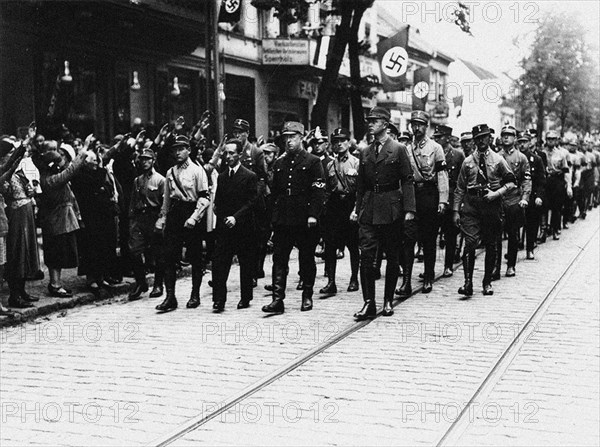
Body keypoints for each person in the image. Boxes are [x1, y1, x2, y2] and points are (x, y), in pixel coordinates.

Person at [351, 106, 416, 319]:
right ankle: (369, 302)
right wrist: (357, 209)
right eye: (369, 120)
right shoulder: (365, 151)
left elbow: (407, 180)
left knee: (392, 255)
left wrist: (409, 209)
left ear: (385, 125)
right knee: (366, 256)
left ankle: (388, 300)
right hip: (369, 208)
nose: (370, 123)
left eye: (375, 120)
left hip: (391, 208)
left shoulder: (398, 149)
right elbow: (361, 184)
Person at [262, 121, 325, 314]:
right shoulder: (280, 163)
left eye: (293, 137)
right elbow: (275, 193)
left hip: (304, 217)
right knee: (279, 259)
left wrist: (313, 215)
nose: (289, 141)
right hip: (283, 218)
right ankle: (277, 299)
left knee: (306, 258)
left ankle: (307, 296)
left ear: (301, 138)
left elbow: (318, 191)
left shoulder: (313, 161)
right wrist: (273, 218)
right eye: (286, 138)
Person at [453, 124, 516, 296]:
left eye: (484, 137)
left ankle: (487, 281)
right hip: (472, 205)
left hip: (491, 206)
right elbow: (459, 188)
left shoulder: (498, 160)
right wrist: (456, 211)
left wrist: (497, 194)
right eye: (478, 138)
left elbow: (511, 182)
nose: (481, 141)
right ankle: (467, 283)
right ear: (474, 141)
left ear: (489, 138)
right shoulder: (467, 162)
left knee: (491, 244)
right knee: (470, 243)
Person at [154, 135, 210, 312]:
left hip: (192, 212)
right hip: (175, 214)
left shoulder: (197, 171)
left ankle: (195, 294)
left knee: (195, 256)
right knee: (169, 255)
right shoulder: (171, 172)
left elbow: (204, 197)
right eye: (175, 150)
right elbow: (167, 199)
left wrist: (195, 217)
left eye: (181, 149)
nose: (177, 153)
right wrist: (163, 217)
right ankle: (170, 297)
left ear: (189, 150)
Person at [397, 114, 448, 296]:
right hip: (410, 195)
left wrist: (442, 200)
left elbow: (442, 175)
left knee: (428, 239)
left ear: (426, 127)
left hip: (429, 195)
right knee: (408, 239)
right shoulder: (405, 148)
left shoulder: (436, 148)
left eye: (420, 125)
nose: (416, 128)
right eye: (414, 125)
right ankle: (406, 282)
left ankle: (428, 277)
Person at [36, 144, 88, 298]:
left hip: (58, 222)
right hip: (55, 222)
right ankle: (54, 284)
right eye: (59, 161)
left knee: (58, 254)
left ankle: (56, 283)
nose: (62, 164)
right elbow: (70, 171)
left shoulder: (49, 177)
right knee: (55, 255)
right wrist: (82, 152)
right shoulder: (50, 180)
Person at [211, 139, 258, 311]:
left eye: (232, 153)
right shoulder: (222, 177)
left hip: (243, 227)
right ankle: (219, 300)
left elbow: (252, 202)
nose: (228, 156)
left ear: (239, 154)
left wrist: (236, 217)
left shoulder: (249, 176)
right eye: (226, 153)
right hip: (225, 228)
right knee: (219, 263)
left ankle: (245, 297)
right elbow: (218, 202)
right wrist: (221, 215)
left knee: (245, 264)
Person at [71, 150, 120, 290]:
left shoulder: (98, 174)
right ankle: (91, 278)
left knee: (103, 246)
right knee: (91, 248)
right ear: (85, 162)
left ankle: (101, 276)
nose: (96, 163)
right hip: (89, 216)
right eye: (93, 161)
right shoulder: (82, 176)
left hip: (103, 215)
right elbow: (95, 183)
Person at [320, 127, 360, 295]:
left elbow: (360, 189)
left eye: (342, 141)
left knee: (352, 244)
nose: (339, 144)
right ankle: (331, 282)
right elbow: (328, 189)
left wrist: (356, 209)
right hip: (335, 205)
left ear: (349, 143)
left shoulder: (357, 163)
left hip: (350, 203)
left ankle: (354, 278)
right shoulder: (330, 165)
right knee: (330, 244)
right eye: (335, 142)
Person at [127, 148, 165, 300]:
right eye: (142, 159)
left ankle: (158, 284)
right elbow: (133, 202)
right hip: (139, 218)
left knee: (157, 253)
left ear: (153, 161)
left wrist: (161, 220)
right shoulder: (138, 180)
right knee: (134, 250)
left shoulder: (161, 180)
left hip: (154, 217)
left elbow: (165, 203)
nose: (145, 162)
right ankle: (141, 282)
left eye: (148, 159)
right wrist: (131, 221)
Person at [496, 125, 531, 278]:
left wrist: (524, 198)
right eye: (504, 135)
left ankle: (511, 265)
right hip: (498, 199)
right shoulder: (495, 156)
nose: (506, 137)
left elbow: (526, 180)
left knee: (513, 234)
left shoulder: (521, 158)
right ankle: (495, 267)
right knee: (495, 235)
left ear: (515, 139)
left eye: (509, 135)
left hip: (514, 199)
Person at [0, 138, 28, 311]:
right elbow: (6, 169)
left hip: (1, 226)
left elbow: (6, 169)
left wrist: (22, 149)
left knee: (1, 265)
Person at [436, 126, 465, 277]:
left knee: (450, 234)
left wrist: (459, 204)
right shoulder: (433, 153)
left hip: (452, 197)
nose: (436, 140)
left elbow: (462, 181)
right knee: (431, 233)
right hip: (436, 197)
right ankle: (430, 268)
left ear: (447, 138)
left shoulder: (458, 155)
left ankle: (448, 265)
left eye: (439, 137)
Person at [517, 131, 545, 260]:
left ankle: (529, 248)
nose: (522, 145)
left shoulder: (536, 159)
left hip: (532, 195)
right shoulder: (514, 158)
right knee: (514, 223)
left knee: (531, 223)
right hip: (516, 195)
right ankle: (515, 246)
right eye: (520, 142)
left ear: (529, 143)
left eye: (524, 142)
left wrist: (539, 196)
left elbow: (541, 181)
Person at [542, 130, 571, 240]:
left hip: (557, 181)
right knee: (544, 206)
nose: (551, 141)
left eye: (553, 139)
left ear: (556, 141)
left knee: (556, 207)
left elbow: (566, 171)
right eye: (549, 139)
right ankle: (544, 230)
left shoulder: (561, 154)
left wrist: (568, 185)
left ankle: (555, 229)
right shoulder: (542, 153)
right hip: (546, 181)